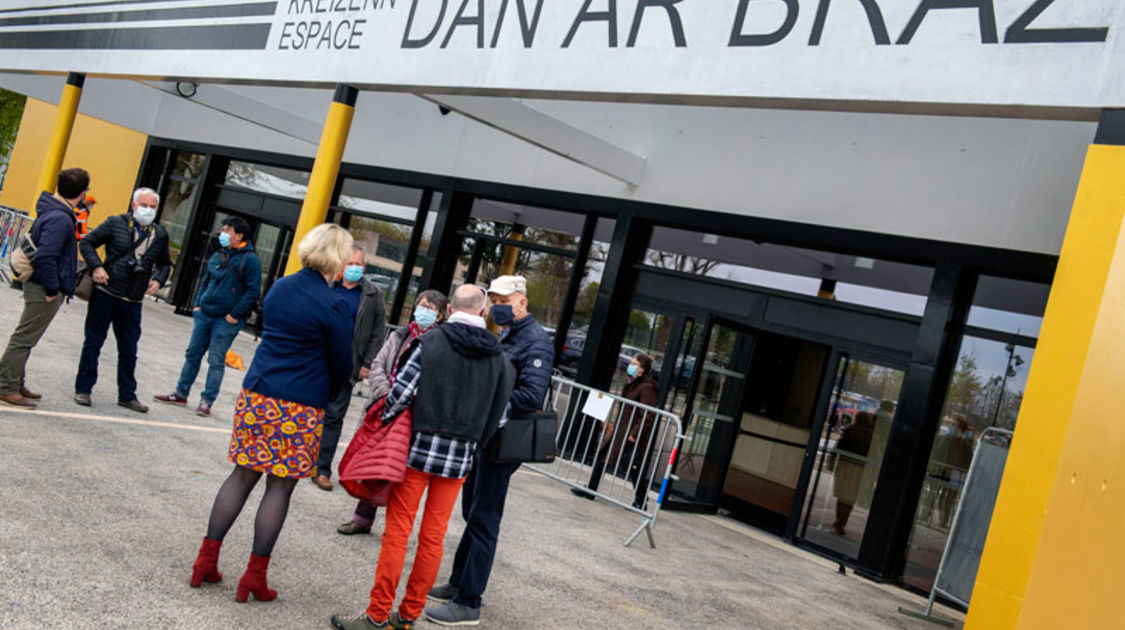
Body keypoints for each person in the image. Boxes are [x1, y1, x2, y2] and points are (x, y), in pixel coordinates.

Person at [331, 284, 515, 630]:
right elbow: (501, 414)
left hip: (417, 452)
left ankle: (377, 614)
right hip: (459, 460)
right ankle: (410, 615)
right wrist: (474, 439)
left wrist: (385, 424)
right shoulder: (500, 359)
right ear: (482, 312)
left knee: (398, 533)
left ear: (448, 311)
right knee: (433, 537)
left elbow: (400, 394)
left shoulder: (429, 344)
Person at [189, 223, 354, 603]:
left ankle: (205, 560)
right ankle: (254, 576)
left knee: (242, 474)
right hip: (301, 402)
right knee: (280, 487)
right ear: (338, 258)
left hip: (259, 391)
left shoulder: (281, 286)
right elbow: (342, 361)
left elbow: (264, 327)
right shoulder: (336, 304)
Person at [425, 275, 554, 627]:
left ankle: (469, 601)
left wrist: (488, 393)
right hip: (487, 438)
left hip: (504, 443)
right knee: (473, 511)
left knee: (484, 519)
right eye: (492, 300)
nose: (496, 307)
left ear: (521, 303)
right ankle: (458, 582)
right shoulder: (510, 333)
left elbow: (531, 397)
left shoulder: (536, 342)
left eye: (502, 300)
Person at [337, 289, 448, 535]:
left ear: (440, 316)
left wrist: (406, 401)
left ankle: (395, 528)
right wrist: (386, 394)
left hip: (411, 416)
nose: (424, 312)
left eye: (430, 309)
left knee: (399, 470)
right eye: (421, 306)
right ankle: (362, 518)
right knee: (374, 464)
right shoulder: (400, 335)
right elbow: (378, 363)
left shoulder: (439, 344)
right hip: (385, 408)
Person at [73, 187, 172, 413]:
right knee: (93, 343)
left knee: (129, 350)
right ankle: (84, 388)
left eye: (153, 206)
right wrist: (97, 266)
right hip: (106, 293)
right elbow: (87, 242)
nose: (148, 210)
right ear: (134, 205)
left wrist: (158, 279)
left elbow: (165, 263)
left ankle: (127, 394)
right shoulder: (115, 223)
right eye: (144, 205)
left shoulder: (160, 234)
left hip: (133, 300)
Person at [154, 217, 262, 417]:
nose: (222, 232)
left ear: (239, 235)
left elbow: (253, 291)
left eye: (228, 230)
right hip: (205, 314)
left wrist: (234, 315)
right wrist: (197, 304)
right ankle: (180, 393)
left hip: (226, 320)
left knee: (216, 360)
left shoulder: (250, 260)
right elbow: (206, 280)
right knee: (192, 354)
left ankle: (207, 400)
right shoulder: (219, 254)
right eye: (223, 228)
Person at [0, 168, 87, 408]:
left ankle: (16, 381)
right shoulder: (61, 218)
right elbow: (47, 256)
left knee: (28, 337)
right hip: (44, 287)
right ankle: (6, 386)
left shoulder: (54, 211)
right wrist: (52, 288)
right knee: (24, 338)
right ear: (82, 193)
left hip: (41, 283)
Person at [311, 246, 387, 491]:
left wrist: (367, 363)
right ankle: (298, 459)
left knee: (333, 417)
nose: (355, 267)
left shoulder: (372, 295)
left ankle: (322, 470)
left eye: (359, 263)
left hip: (348, 364)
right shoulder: (326, 286)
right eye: (350, 262)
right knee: (308, 411)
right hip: (319, 359)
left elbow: (378, 332)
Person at [570, 352, 659, 509]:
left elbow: (648, 415)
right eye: (631, 363)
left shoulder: (647, 388)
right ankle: (591, 489)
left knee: (632, 465)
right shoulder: (632, 383)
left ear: (642, 370)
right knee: (603, 456)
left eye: (634, 364)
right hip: (621, 430)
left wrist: (634, 434)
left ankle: (641, 500)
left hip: (630, 433)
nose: (630, 366)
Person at [831, 411, 877, 536]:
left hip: (845, 465)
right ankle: (842, 522)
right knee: (851, 498)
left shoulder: (850, 430)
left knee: (842, 494)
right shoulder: (871, 435)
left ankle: (839, 520)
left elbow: (839, 446)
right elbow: (874, 454)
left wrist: (831, 461)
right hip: (860, 468)